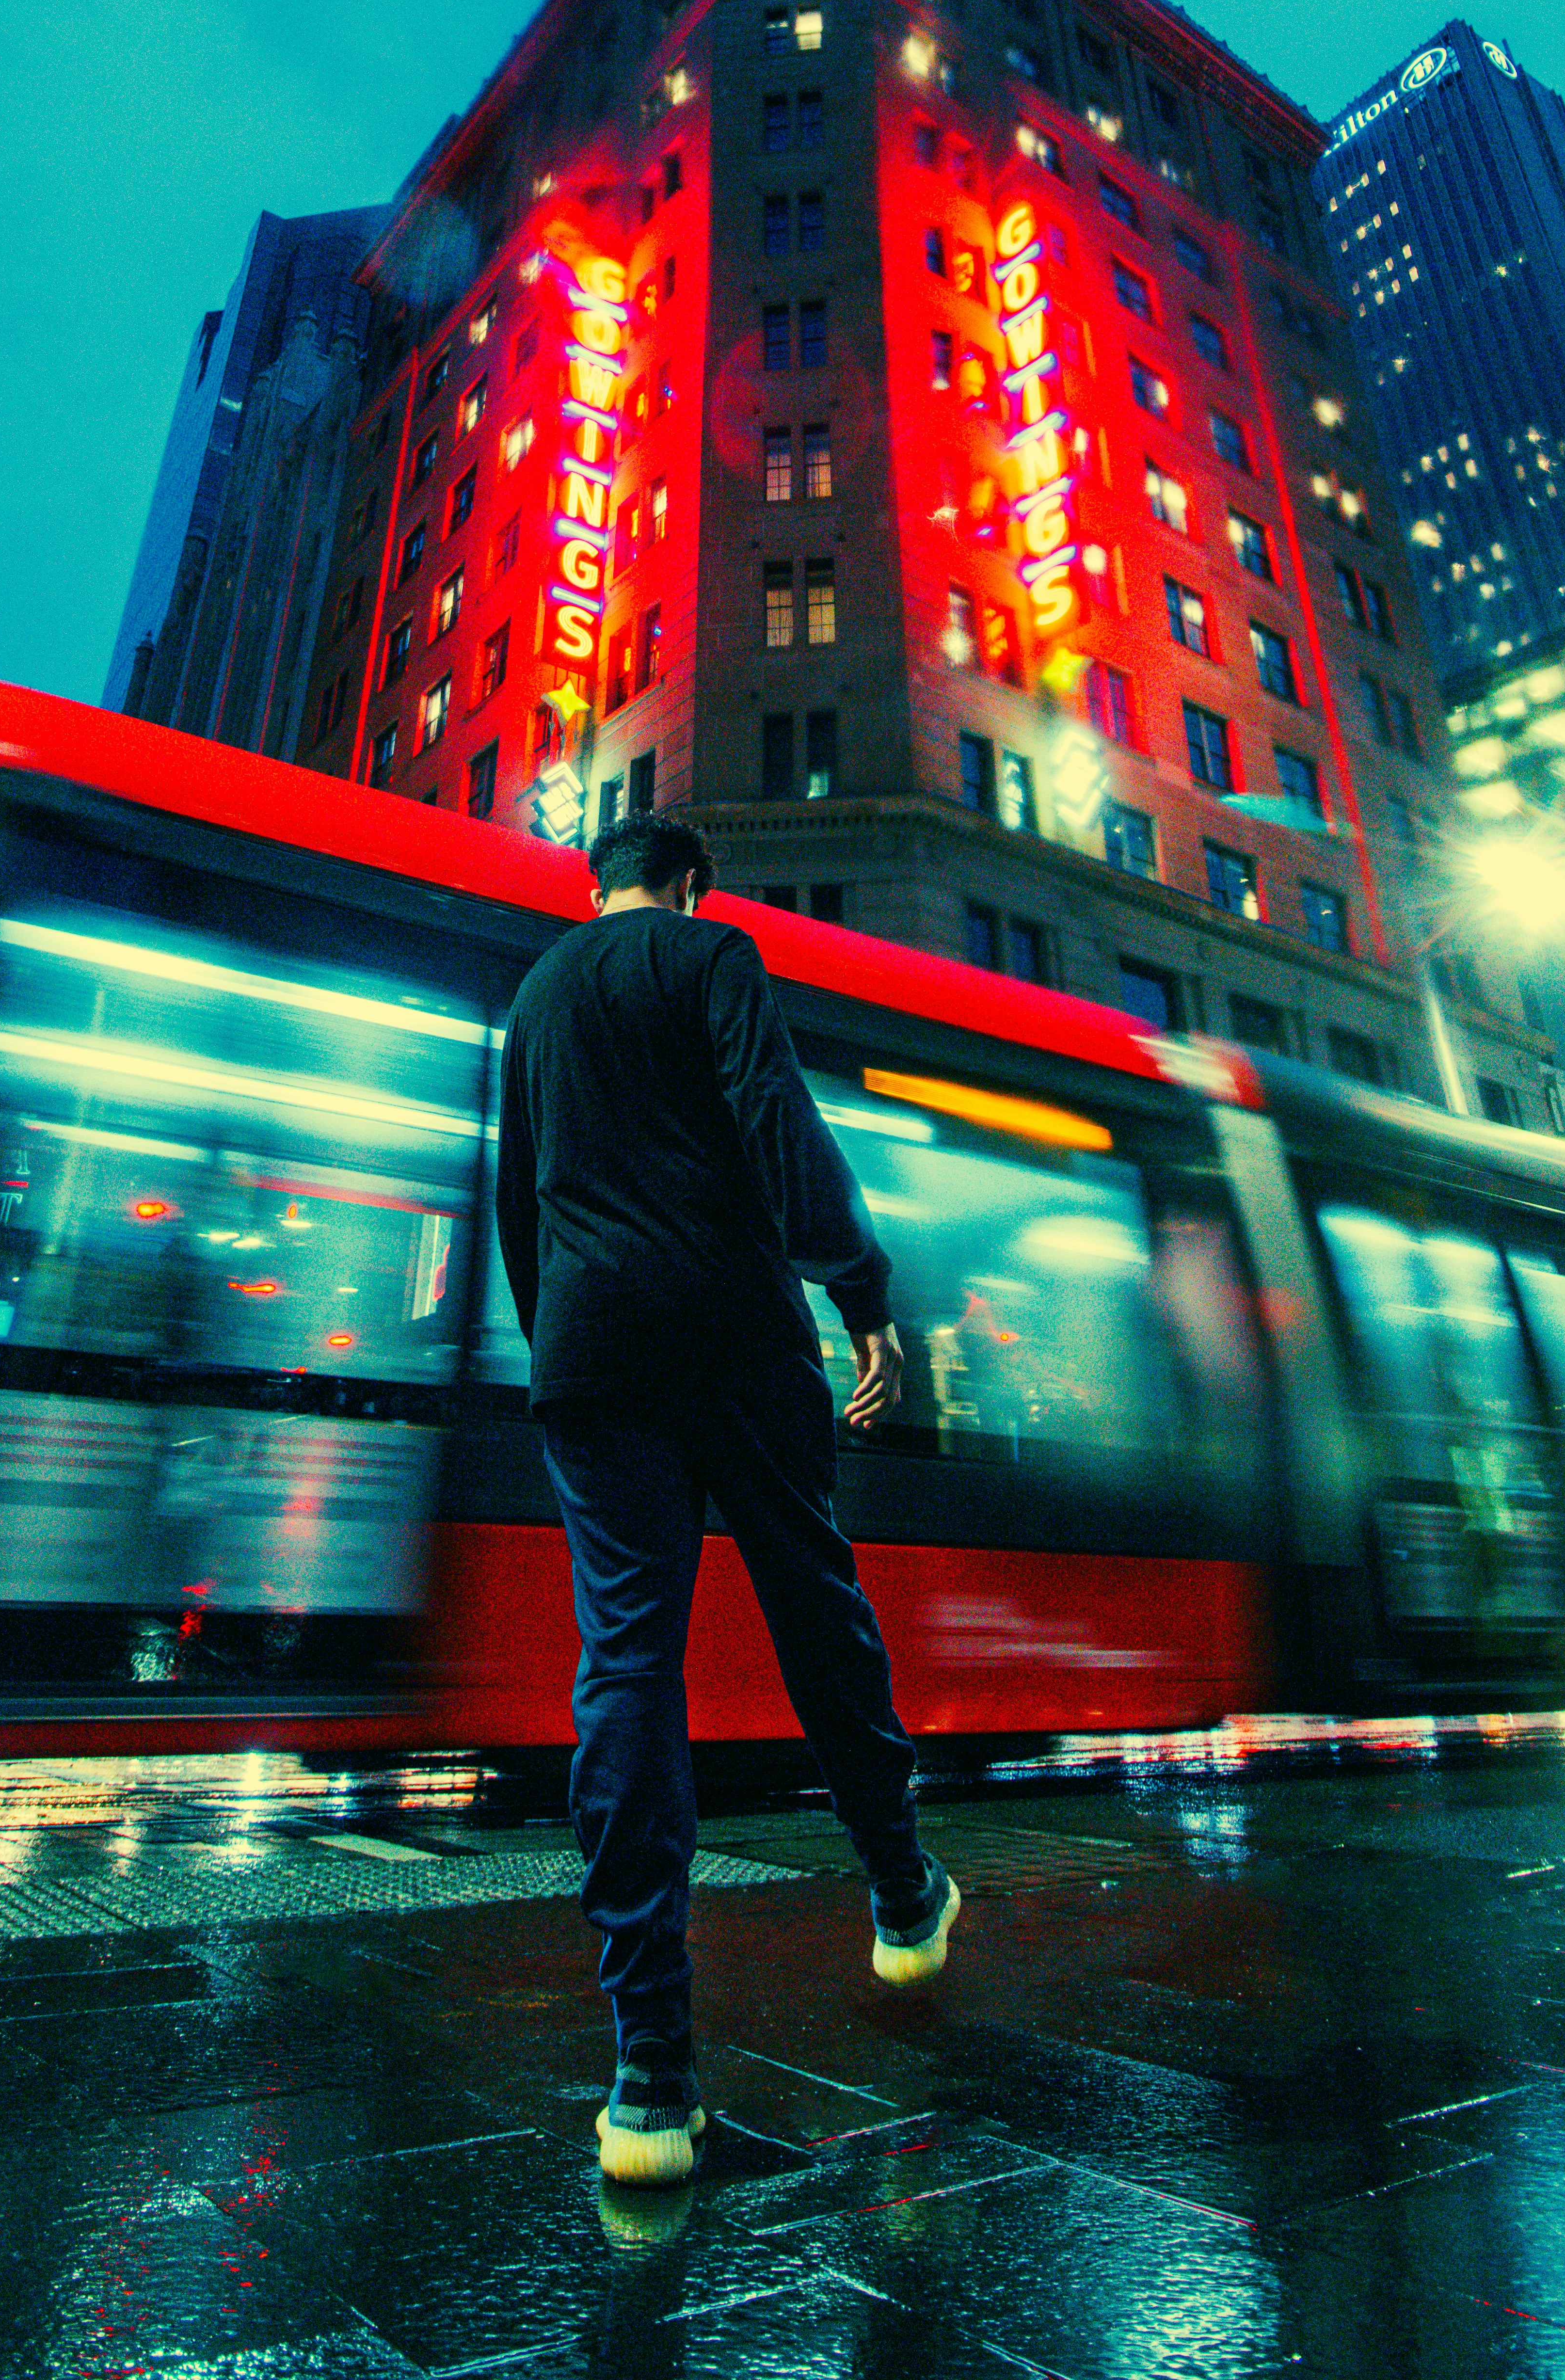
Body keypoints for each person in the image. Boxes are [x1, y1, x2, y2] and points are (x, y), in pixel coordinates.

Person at [495, 811, 958, 2187]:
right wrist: (861, 1295)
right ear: (691, 886)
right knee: (814, 1602)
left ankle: (649, 2077)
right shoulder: (714, 958)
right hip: (739, 1336)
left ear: (595, 888)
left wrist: (560, 1342)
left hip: (591, 1350)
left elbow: (520, 1198)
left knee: (626, 1668)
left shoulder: (536, 995)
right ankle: (901, 1893)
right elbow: (777, 1125)